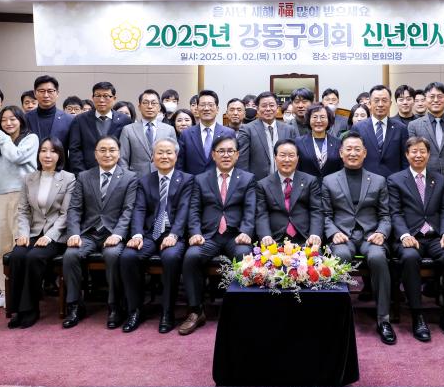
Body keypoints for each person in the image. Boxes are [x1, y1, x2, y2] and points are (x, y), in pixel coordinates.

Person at [387, 136, 444, 341]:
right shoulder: (395, 180)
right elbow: (395, 212)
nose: (418, 155)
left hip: (436, 236)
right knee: (410, 257)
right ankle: (417, 315)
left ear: (429, 155)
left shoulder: (441, 180)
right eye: (414, 151)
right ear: (406, 154)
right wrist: (404, 235)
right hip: (410, 236)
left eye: (422, 151)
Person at [321, 132, 393, 344]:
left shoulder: (378, 180)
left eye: (357, 149)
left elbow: (385, 215)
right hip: (342, 235)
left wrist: (381, 233)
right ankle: (339, 316)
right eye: (348, 149)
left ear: (365, 153)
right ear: (341, 153)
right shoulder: (329, 180)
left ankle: (383, 319)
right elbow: (325, 215)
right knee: (340, 257)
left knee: (378, 258)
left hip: (371, 236)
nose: (353, 153)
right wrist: (333, 232)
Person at [180, 136, 256, 335]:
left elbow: (250, 209)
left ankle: (243, 310)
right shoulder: (200, 179)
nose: (226, 155)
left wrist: (246, 232)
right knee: (191, 256)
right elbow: (194, 210)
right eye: (221, 151)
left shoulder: (247, 178)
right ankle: (196, 311)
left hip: (235, 235)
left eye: (230, 151)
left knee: (245, 256)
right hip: (209, 236)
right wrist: (195, 233)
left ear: (237, 155)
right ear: (213, 155)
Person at [61, 136, 138, 329]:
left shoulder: (129, 177)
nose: (107, 154)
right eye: (102, 150)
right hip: (88, 233)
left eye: (112, 150)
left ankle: (114, 306)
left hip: (114, 233)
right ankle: (75, 306)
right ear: (95, 154)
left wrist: (118, 234)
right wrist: (74, 233)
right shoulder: (84, 176)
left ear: (119, 153)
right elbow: (75, 208)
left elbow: (128, 210)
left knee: (112, 255)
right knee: (70, 255)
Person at [120, 138, 193, 333]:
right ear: (153, 156)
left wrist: (175, 234)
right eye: (160, 152)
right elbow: (139, 209)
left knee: (170, 257)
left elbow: (184, 210)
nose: (164, 156)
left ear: (176, 156)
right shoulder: (145, 181)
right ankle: (135, 310)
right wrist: (137, 234)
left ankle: (167, 312)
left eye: (169, 152)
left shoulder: (187, 180)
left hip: (174, 234)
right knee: (128, 256)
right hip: (150, 234)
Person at [8, 138, 75, 328]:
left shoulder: (68, 178)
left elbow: (66, 214)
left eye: (53, 151)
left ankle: (30, 309)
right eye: (43, 151)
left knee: (34, 257)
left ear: (60, 155)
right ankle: (17, 310)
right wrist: (23, 233)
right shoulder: (29, 178)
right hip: (32, 232)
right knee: (17, 256)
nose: (47, 155)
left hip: (56, 235)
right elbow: (23, 211)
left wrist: (48, 236)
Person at [0, 106, 39, 308]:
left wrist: (1, 136)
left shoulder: (30, 138)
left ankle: (20, 290)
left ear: (21, 120)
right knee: (2, 246)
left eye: (12, 119)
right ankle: (5, 290)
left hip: (23, 195)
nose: (8, 123)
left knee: (19, 244)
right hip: (2, 195)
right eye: (4, 120)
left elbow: (17, 157)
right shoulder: (0, 141)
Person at [255, 139, 323, 247]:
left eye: (291, 155)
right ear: (275, 157)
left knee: (315, 256)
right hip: (274, 240)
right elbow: (261, 214)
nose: (287, 160)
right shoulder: (263, 185)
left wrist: (314, 234)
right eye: (282, 155)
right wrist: (265, 235)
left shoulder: (310, 181)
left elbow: (316, 210)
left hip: (305, 239)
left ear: (298, 158)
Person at [68, 82, 132, 173]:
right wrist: (82, 174)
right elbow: (75, 150)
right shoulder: (80, 120)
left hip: (117, 175)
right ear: (92, 98)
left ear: (114, 98)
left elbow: (128, 151)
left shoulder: (125, 120)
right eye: (98, 96)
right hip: (87, 173)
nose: (101, 100)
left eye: (106, 96)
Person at [407, 82, 444, 177]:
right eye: (432, 96)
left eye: (440, 96)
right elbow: (413, 157)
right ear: (425, 99)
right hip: (426, 178)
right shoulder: (414, 125)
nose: (436, 100)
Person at [237, 91, 298, 181]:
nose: (268, 109)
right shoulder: (247, 130)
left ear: (277, 108)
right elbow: (242, 162)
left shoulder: (289, 130)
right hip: (257, 183)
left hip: (285, 182)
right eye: (264, 106)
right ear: (258, 109)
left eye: (272, 105)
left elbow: (295, 158)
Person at [178, 90, 237, 176]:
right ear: (197, 108)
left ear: (217, 109)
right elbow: (180, 165)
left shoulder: (228, 133)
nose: (206, 108)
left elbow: (233, 163)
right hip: (192, 182)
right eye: (202, 105)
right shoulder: (186, 134)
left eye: (210, 105)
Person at [354, 85, 408, 177]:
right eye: (376, 100)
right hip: (366, 180)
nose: (380, 104)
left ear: (390, 103)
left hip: (393, 181)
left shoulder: (401, 128)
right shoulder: (358, 128)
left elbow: (405, 160)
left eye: (384, 100)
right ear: (370, 104)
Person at [120, 89, 177, 177]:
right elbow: (123, 159)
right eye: (145, 103)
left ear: (159, 107)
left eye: (153, 103)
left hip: (162, 177)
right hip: (136, 179)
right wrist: (128, 179)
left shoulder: (169, 130)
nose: (150, 106)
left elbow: (174, 156)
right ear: (139, 107)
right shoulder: (128, 130)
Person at [295, 103, 343, 182]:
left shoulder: (337, 143)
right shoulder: (298, 142)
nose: (318, 120)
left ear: (329, 119)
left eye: (322, 117)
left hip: (332, 187)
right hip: (307, 186)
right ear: (309, 119)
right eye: (315, 117)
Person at [25, 76, 74, 149]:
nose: (46, 95)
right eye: (41, 91)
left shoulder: (69, 120)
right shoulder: (25, 118)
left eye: (50, 91)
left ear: (57, 93)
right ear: (35, 93)